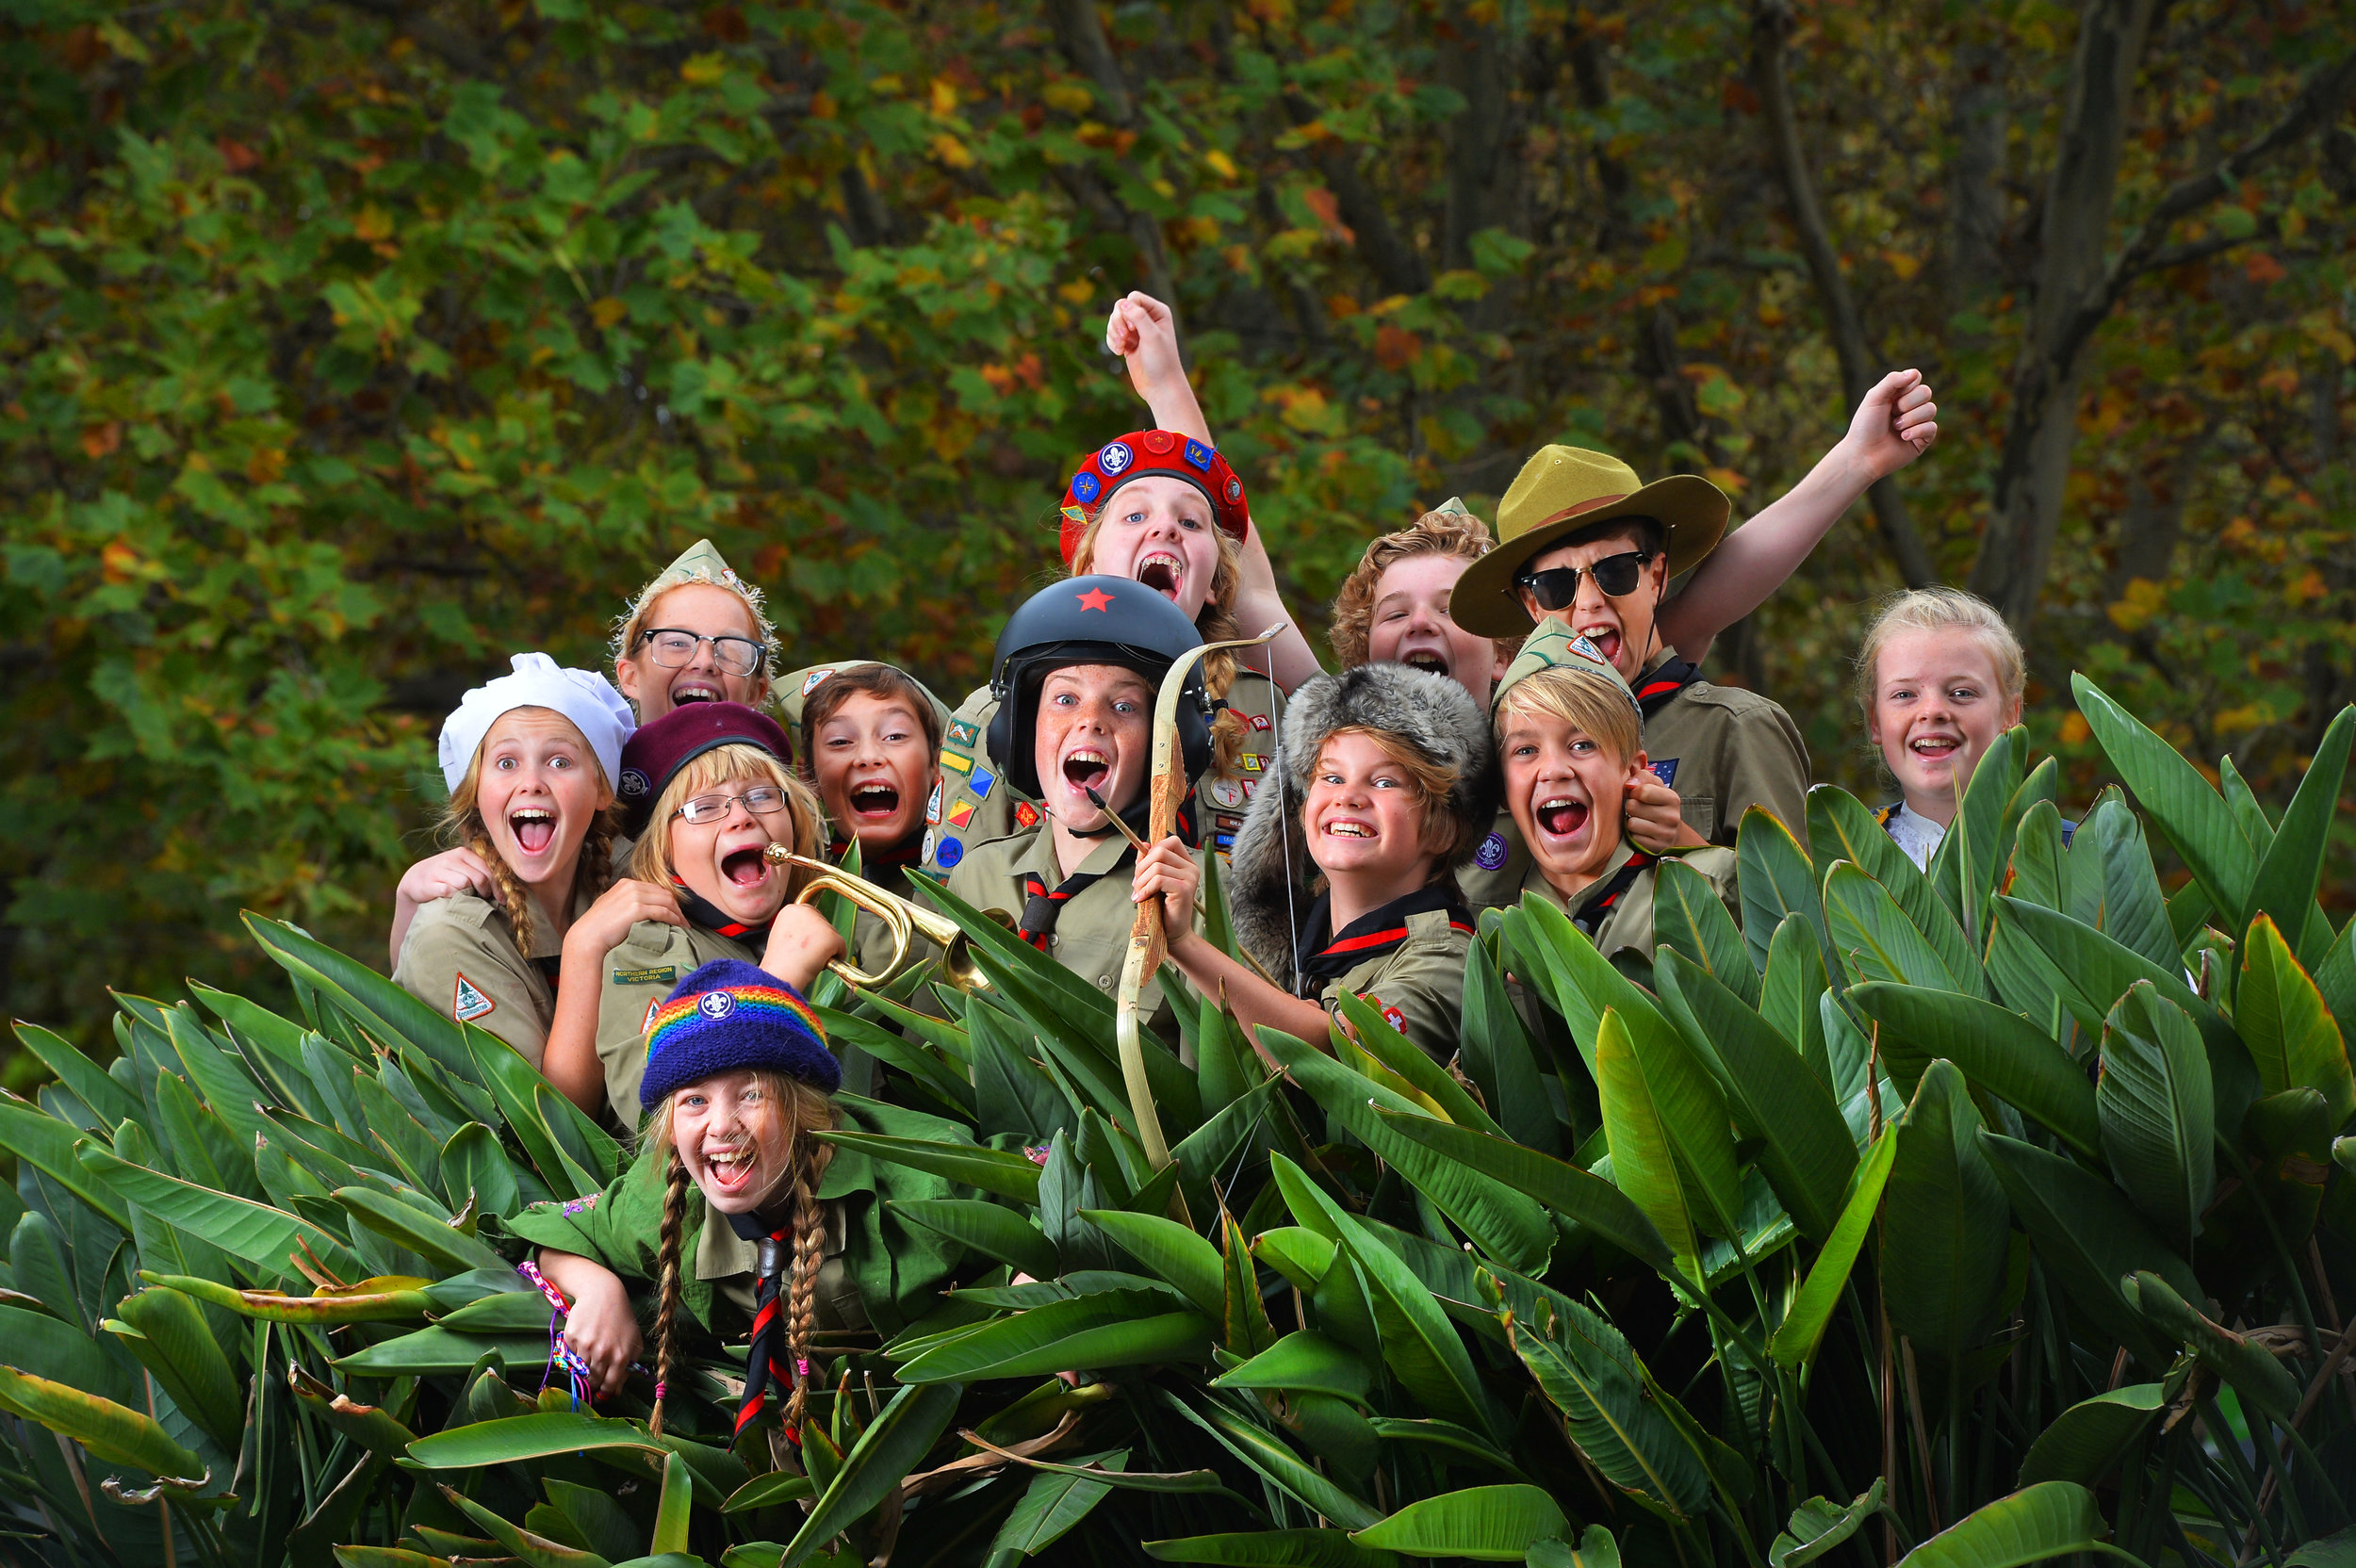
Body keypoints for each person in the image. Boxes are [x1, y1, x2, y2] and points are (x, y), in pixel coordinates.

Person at [1108, 287, 1939, 675]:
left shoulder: (1554, 712)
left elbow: (1710, 595)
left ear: (1504, 650)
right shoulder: (1342, 728)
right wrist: (1167, 388)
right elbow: (1246, 579)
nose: (1421, 626)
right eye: (1396, 614)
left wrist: (1856, 461)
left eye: (1446, 608)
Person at [507, 958, 966, 1442]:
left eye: (751, 1094)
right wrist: (599, 1289)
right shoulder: (662, 1196)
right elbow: (549, 1228)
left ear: (803, 1111)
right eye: (694, 1101)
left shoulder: (923, 1182)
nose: (722, 1125)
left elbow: (1037, 1186)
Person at [388, 539, 778, 962]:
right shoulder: (576, 805)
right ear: (628, 676)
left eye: (731, 649)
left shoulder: (777, 814)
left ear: (758, 691)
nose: (704, 661)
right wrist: (409, 904)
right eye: (676, 642)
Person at [1452, 445, 1813, 866]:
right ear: (1533, 605)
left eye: (1615, 571)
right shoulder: (1505, 752)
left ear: (1655, 575)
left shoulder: (1735, 728)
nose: (1588, 602)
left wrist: (1684, 843)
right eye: (1555, 586)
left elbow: (1795, 911)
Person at [1131, 662, 1497, 1067]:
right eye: (1332, 778)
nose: (1348, 797)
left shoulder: (1447, 957)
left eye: (1385, 782)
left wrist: (1185, 944)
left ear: (1444, 831)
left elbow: (1334, 1055)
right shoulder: (1301, 937)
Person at [539, 702, 842, 1124]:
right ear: (665, 850)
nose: (742, 817)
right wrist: (775, 982)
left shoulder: (839, 920)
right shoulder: (648, 950)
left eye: (761, 796)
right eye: (704, 807)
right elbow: (657, 1119)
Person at [944, 576, 1213, 1038]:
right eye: (1065, 699)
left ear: (1165, 745)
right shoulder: (977, 875)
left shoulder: (1202, 894)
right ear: (1020, 732)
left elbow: (1220, 1081)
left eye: (1125, 706)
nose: (1090, 720)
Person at [392, 654, 635, 1065]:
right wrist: (585, 949)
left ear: (602, 789)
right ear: (475, 791)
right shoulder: (452, 931)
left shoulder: (633, 880)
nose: (532, 783)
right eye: (506, 763)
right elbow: (535, 1119)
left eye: (560, 762)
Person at [1492, 621, 1739, 983]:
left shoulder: (1714, 890)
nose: (1555, 770)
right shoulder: (1494, 938)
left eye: (1583, 745)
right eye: (1526, 750)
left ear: (1633, 770)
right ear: (1503, 787)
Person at [776, 661, 951, 980]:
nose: (868, 756)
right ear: (807, 776)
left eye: (895, 736)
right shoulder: (780, 889)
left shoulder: (971, 877)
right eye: (840, 741)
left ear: (935, 764)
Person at [1854, 587, 2029, 871]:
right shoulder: (1841, 856)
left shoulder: (2076, 856)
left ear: (2010, 713)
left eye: (1962, 693)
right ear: (1875, 720)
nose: (1932, 711)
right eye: (1904, 695)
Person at [1324, 500, 1520, 706]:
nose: (1419, 622)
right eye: (1397, 615)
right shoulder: (1325, 737)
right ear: (1365, 656)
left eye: (1449, 610)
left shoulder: (1550, 737)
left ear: (1502, 656)